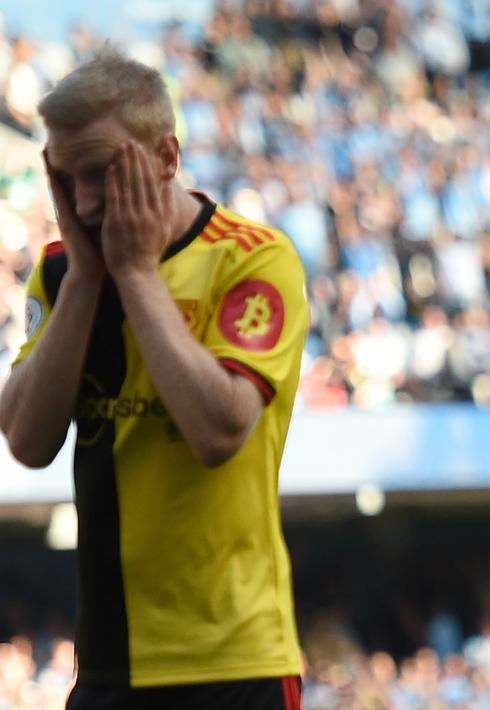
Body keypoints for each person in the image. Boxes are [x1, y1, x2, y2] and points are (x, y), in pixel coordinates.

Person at [0, 47, 307, 709]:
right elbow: (25, 440)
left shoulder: (253, 259)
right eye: (64, 178)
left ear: (166, 159)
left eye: (102, 175)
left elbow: (219, 430)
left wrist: (135, 274)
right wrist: (86, 278)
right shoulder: (59, 273)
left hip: (233, 663)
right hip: (109, 666)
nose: (82, 203)